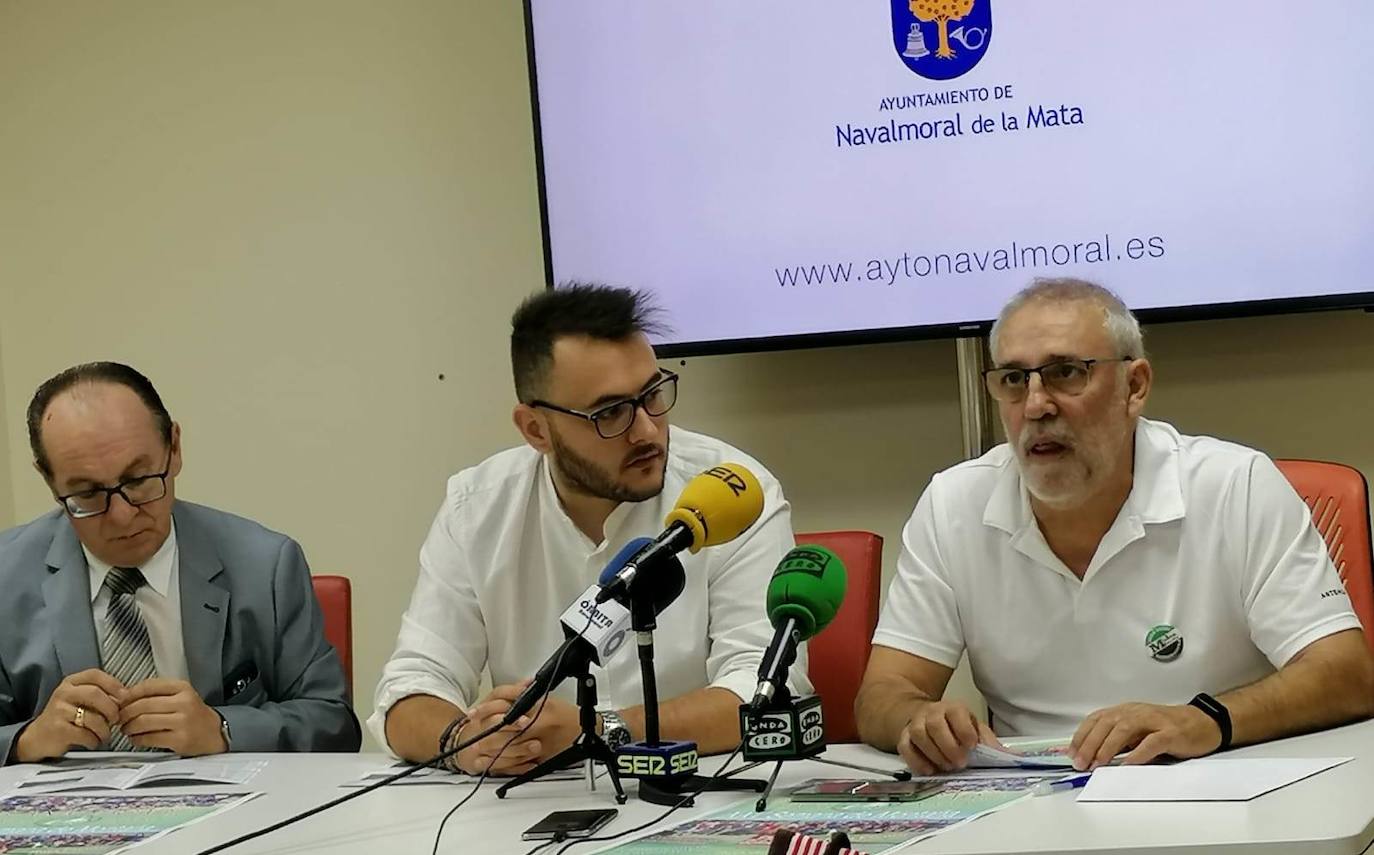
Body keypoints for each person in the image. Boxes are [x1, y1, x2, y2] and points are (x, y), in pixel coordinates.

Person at [855, 278, 1374, 774]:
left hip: (1216, 779)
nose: (1036, 404)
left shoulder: (1234, 485)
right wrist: (915, 719)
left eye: (1066, 372)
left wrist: (1204, 719)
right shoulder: (953, 503)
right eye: (1014, 379)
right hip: (1033, 800)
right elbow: (882, 694)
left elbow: (1348, 675)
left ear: (1135, 385)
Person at [372, 283, 807, 775]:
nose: (646, 430)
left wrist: (600, 731)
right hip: (529, 804)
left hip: (696, 789)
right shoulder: (476, 508)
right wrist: (464, 740)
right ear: (536, 430)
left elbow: (765, 688)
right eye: (610, 413)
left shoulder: (731, 492)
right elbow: (409, 689)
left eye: (652, 395)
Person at [0, 362, 360, 764]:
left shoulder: (266, 565)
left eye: (138, 480)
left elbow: (334, 725)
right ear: (49, 481)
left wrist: (222, 729)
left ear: (174, 448)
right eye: (86, 494)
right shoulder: (5, 576)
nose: (122, 515)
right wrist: (26, 740)